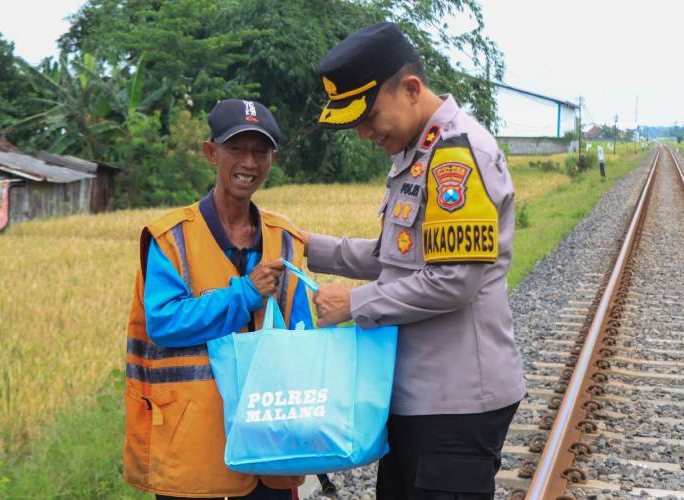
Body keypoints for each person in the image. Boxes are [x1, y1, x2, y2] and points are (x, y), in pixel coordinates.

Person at [304, 22, 526, 499]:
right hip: (417, 396)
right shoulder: (415, 150)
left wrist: (355, 304)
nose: (364, 133)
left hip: (456, 403)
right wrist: (307, 245)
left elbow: (452, 281)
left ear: (410, 89)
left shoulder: (456, 156)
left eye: (369, 117)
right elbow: (397, 256)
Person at [123, 99, 312, 499]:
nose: (249, 162)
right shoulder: (171, 237)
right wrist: (244, 294)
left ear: (272, 159)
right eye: (236, 149)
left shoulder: (285, 238)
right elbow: (163, 322)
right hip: (191, 448)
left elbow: (301, 339)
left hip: (268, 446)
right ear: (212, 153)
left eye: (260, 151)